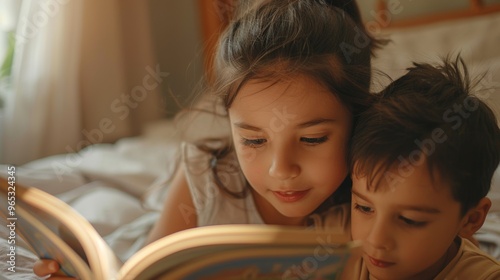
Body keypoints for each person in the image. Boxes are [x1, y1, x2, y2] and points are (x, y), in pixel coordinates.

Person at [34, 0, 382, 278]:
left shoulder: (373, 197)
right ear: (229, 124)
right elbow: (149, 267)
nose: (281, 170)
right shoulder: (205, 178)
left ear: (358, 119)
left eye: (312, 139)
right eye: (254, 141)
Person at [348, 56, 500, 279]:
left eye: (410, 220)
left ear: (470, 219)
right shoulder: (335, 251)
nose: (375, 239)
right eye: (364, 208)